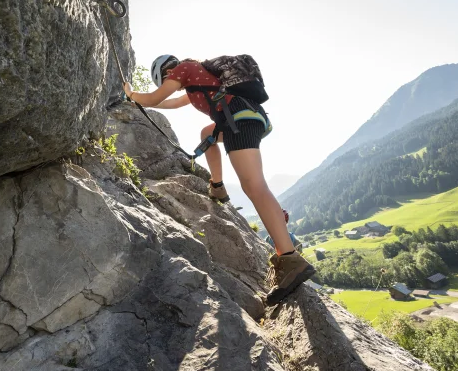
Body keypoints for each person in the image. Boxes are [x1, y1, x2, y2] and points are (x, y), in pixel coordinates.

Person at [123, 55, 316, 305]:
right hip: (245, 116)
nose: (172, 82)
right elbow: (170, 103)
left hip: (238, 118)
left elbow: (155, 97)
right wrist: (144, 103)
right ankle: (217, 185)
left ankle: (289, 258)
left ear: (165, 73)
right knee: (207, 135)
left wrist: (131, 93)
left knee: (254, 186)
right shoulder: (195, 80)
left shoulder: (184, 69)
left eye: (166, 79)